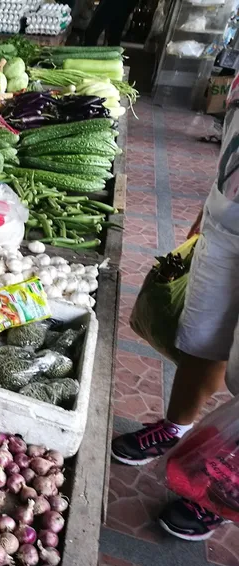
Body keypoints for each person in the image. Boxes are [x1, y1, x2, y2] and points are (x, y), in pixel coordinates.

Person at [111, 73, 239, 541]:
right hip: (230, 215)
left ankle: (226, 492)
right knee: (202, 339)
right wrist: (211, 211)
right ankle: (175, 427)